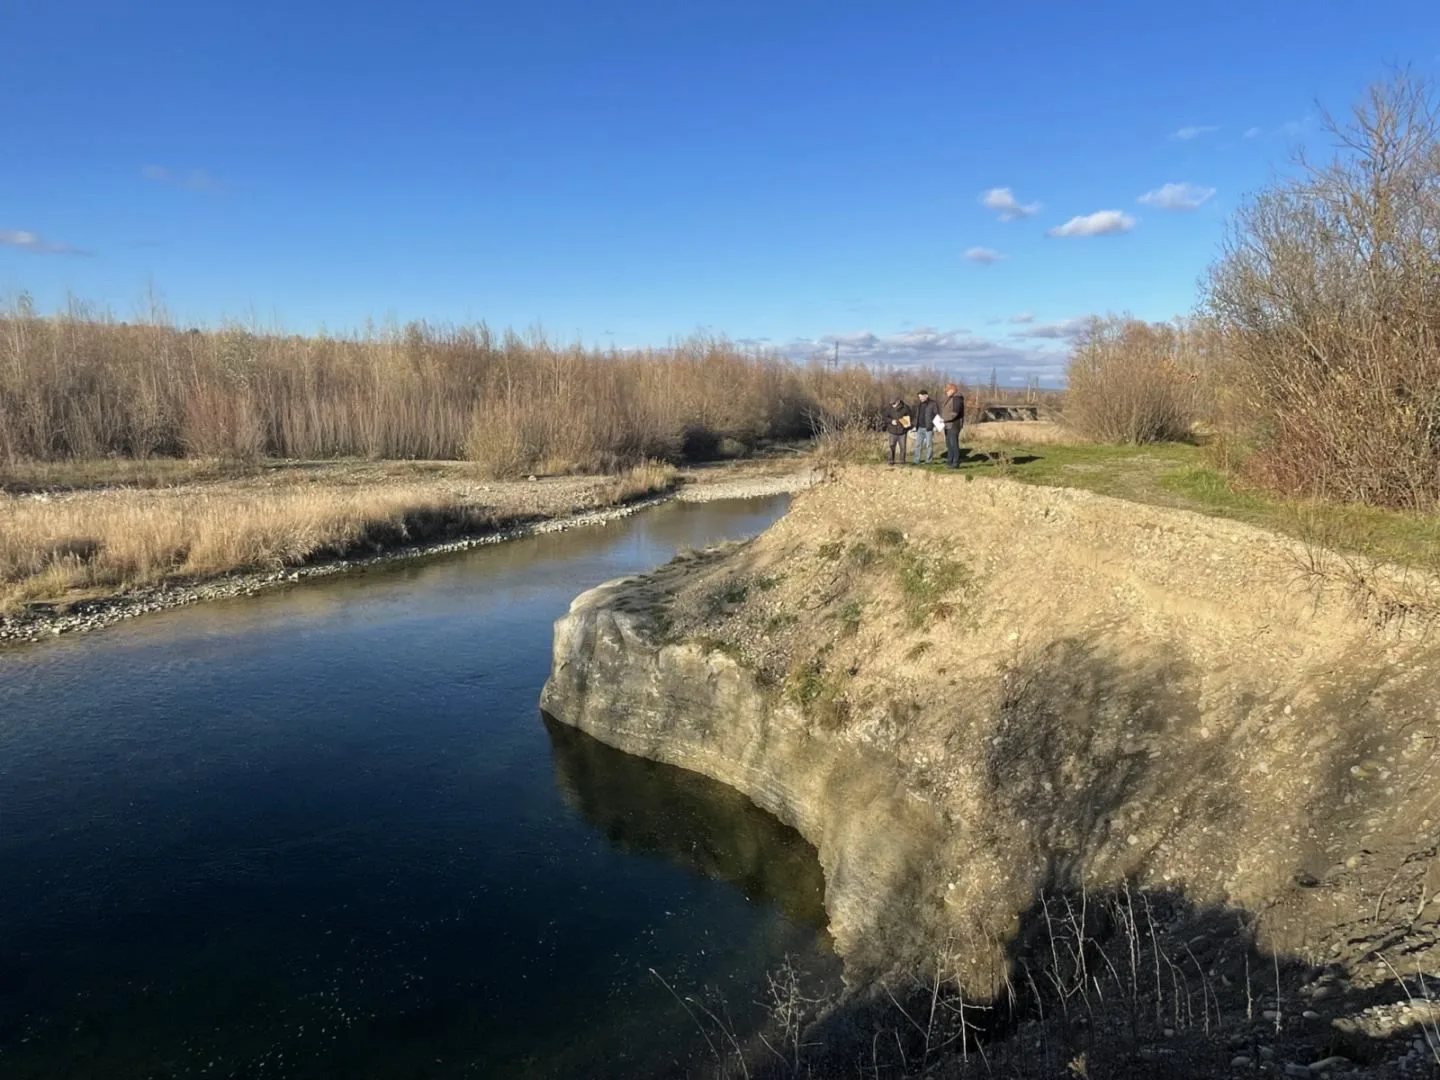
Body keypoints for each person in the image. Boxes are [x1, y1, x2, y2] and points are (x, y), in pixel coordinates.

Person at [940, 383, 966, 468]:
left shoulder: (957, 399)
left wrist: (944, 419)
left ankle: (956, 462)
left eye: (947, 391)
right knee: (949, 444)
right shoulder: (950, 399)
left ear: (952, 390)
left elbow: (955, 413)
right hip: (947, 425)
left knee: (954, 444)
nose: (946, 393)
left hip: (954, 425)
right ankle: (949, 461)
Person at [910, 389, 938, 465]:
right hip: (919, 427)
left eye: (921, 397)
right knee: (918, 445)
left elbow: (936, 414)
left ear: (926, 396)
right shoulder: (918, 404)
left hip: (928, 427)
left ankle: (929, 461)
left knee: (929, 445)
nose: (920, 398)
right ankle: (916, 460)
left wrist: (935, 426)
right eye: (919, 397)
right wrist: (914, 425)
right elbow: (916, 416)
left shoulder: (933, 404)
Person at [884, 396, 913, 465]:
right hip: (892, 431)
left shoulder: (906, 408)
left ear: (898, 401)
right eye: (892, 403)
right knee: (892, 447)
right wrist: (891, 421)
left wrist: (907, 424)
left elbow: (910, 417)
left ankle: (902, 461)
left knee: (903, 447)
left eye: (894, 403)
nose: (893, 405)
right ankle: (891, 461)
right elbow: (885, 417)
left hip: (902, 431)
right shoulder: (889, 408)